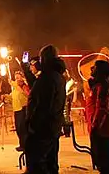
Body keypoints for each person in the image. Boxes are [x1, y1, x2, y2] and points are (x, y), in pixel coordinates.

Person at [25, 45, 67, 174]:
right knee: (50, 161)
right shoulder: (56, 76)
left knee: (38, 162)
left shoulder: (48, 78)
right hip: (52, 126)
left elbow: (43, 105)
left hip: (43, 128)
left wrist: (33, 123)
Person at [86, 61, 109, 174]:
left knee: (103, 159)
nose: (91, 68)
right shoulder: (99, 85)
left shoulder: (103, 86)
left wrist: (95, 126)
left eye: (94, 67)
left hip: (101, 129)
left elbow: (101, 109)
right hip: (98, 127)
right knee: (101, 158)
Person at [11, 71, 30, 152]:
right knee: (18, 128)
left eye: (18, 77)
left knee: (23, 128)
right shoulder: (15, 88)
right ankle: (22, 144)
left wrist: (18, 87)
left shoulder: (24, 86)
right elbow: (13, 96)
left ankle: (26, 144)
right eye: (16, 78)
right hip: (16, 108)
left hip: (23, 108)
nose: (17, 79)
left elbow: (28, 95)